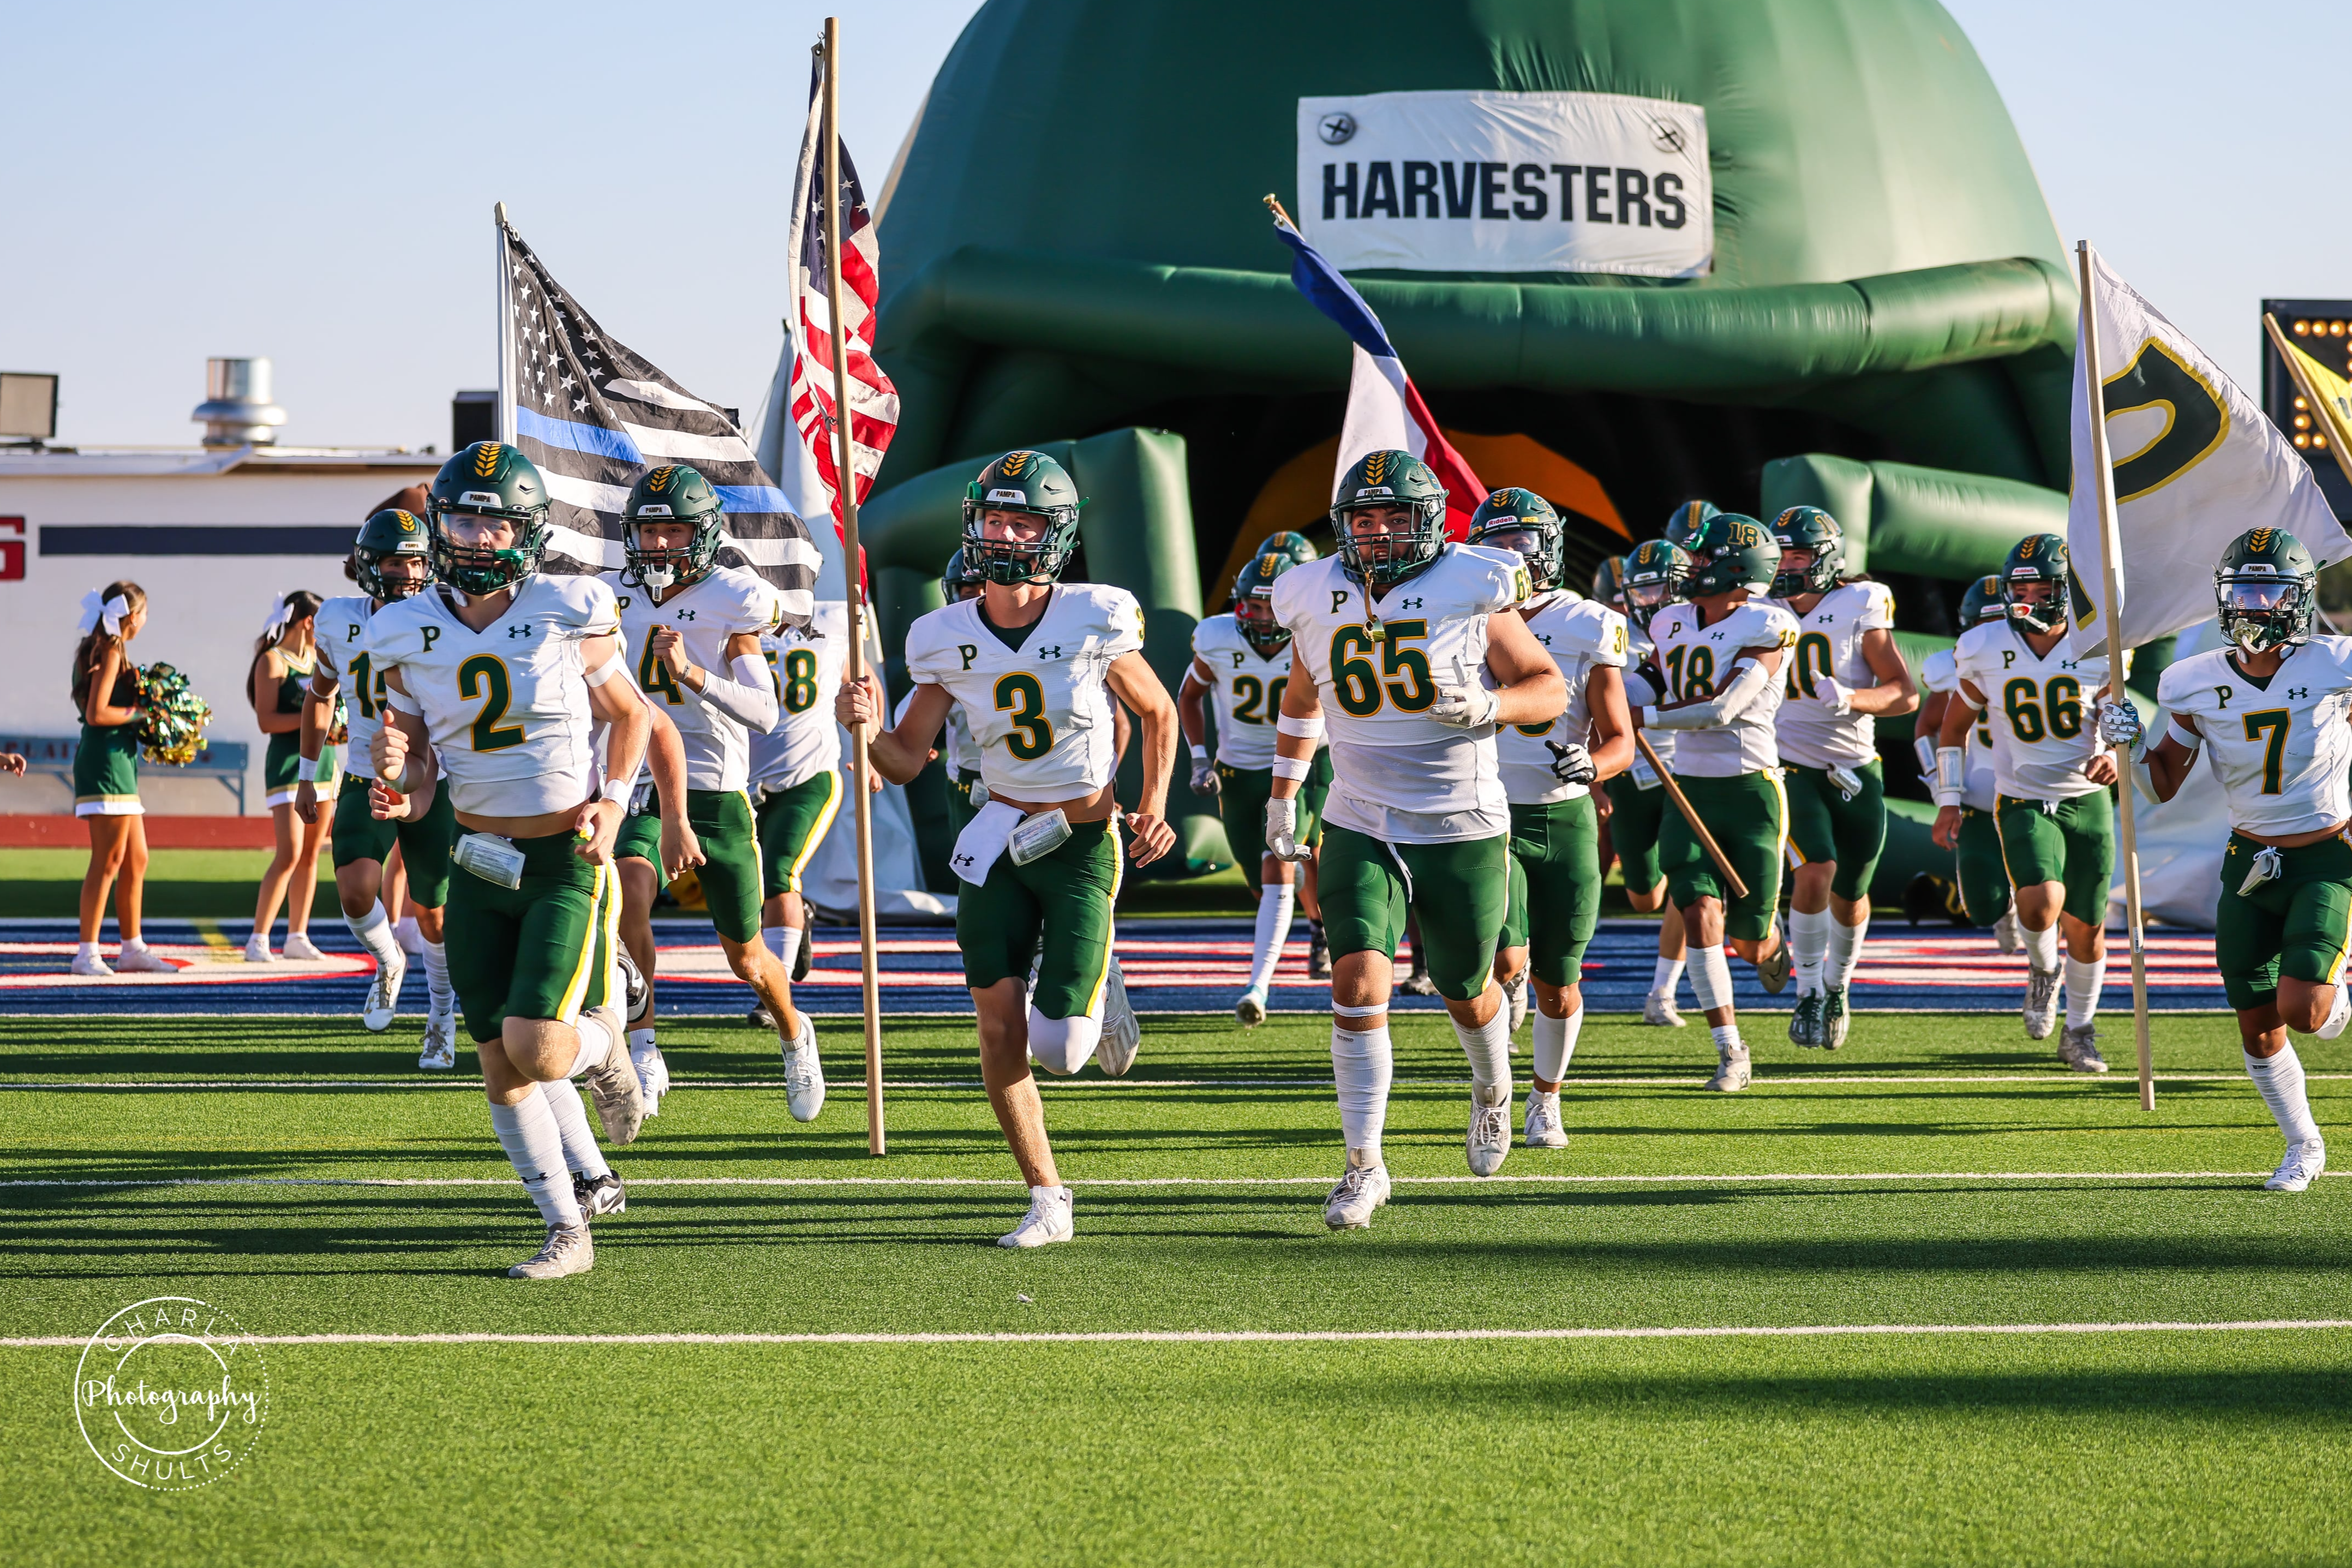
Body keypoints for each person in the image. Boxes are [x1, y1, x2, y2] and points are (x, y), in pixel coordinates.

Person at [837, 448, 1180, 1248]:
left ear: (1055, 533)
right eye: (994, 517)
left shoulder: (1094, 612)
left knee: (1061, 1047)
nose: (1005, 532)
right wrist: (862, 727)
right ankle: (1046, 1196)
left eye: (1022, 519)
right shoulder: (940, 632)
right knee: (997, 1028)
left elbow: (1157, 713)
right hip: (994, 833)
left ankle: (1097, 981)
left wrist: (1154, 803)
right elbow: (902, 760)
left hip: (1084, 837)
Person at [367, 440, 650, 1281]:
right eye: (461, 517)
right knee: (498, 1057)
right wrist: (398, 780)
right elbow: (419, 773)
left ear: (526, 529)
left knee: (540, 1047)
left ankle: (607, 1052)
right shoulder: (402, 626)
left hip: (566, 850)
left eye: (493, 521)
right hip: (477, 854)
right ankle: (568, 1226)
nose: (476, 536)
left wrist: (614, 797)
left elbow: (630, 715)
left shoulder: (570, 605)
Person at [1265, 449, 1566, 1228]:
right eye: (1362, 518)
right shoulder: (1310, 588)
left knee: (1469, 990)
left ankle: (1492, 1087)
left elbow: (1546, 687)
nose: (1377, 532)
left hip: (1458, 821)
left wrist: (1488, 709)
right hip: (1359, 814)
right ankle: (1362, 1165)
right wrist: (1284, 793)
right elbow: (1303, 694)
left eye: (1395, 515)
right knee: (1356, 982)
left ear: (1427, 520)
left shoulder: (1473, 583)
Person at [2119, 526, 2341, 1190]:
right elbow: (2163, 782)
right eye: (2242, 588)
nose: (2253, 604)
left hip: (2328, 854)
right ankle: (2304, 1143)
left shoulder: (2336, 663)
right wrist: (2130, 745)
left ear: (2298, 598)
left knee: (2306, 1009)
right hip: (2249, 859)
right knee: (2257, 1023)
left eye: (2268, 589)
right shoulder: (2190, 680)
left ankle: (2336, 995)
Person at [1469, 489, 1633, 1148]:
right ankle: (1498, 1087)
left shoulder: (1587, 622)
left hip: (1564, 816)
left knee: (1558, 982)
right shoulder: (1463, 613)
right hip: (1488, 811)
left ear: (1550, 551)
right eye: (1498, 545)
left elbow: (1619, 736)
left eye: (1523, 545)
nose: (1511, 557)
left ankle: (1546, 1099)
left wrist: (1593, 767)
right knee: (1507, 957)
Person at [1934, 534, 2121, 1070]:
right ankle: (2043, 972)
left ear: (2066, 591)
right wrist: (1949, 798)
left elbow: (2115, 713)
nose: (2027, 598)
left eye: (2040, 587)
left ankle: (2080, 1030)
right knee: (2040, 904)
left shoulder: (2098, 640)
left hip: (2087, 800)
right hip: (2021, 798)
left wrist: (2112, 751)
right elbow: (1953, 728)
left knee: (2087, 928)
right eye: (2020, 587)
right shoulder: (1985, 643)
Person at [1629, 514, 1799, 1092]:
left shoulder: (1770, 623)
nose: (1690, 570)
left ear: (1736, 569)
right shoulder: (1672, 620)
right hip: (1689, 786)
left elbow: (1723, 709)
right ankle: (1730, 1048)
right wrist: (1595, 692)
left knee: (1749, 943)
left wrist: (1638, 719)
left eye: (1702, 562)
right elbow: (1646, 683)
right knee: (1699, 912)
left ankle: (1771, 937)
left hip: (1752, 791)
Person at [298, 511, 460, 1064]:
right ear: (370, 566)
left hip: (431, 775)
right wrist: (306, 774)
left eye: (417, 561)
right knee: (355, 890)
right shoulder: (337, 620)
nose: (409, 573)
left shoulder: (445, 618)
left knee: (433, 911)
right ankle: (389, 960)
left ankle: (441, 1014)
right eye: (396, 561)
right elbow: (320, 695)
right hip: (366, 776)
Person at [1768, 506, 1918, 1048]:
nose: (1786, 564)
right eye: (1780, 552)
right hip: (1786, 763)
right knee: (1815, 873)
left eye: (1799, 555)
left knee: (1852, 891)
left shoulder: (1861, 602)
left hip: (1855, 765)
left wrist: (1853, 697)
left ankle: (1837, 985)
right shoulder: (1756, 606)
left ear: (1826, 560)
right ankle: (1808, 988)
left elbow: (1904, 691)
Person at [1181, 540, 1328, 1025]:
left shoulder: (1315, 632)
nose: (1265, 618)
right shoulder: (1216, 637)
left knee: (1278, 864)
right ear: (1239, 603)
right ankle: (1305, 907)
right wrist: (1200, 759)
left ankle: (1258, 985)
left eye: (1272, 606)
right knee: (1260, 879)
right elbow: (1189, 696)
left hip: (1302, 765)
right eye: (1255, 605)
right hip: (1239, 771)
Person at [1599, 545, 1693, 1024]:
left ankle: (1662, 992)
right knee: (1644, 896)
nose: (1649, 598)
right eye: (1641, 589)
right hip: (1633, 776)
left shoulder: (1698, 627)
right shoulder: (1614, 631)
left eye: (1659, 586)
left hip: (1688, 767)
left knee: (1685, 879)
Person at [747, 598, 846, 1014]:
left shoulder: (834, 615)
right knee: (748, 885)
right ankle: (795, 918)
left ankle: (777, 995)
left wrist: (872, 741)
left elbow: (859, 678)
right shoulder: (737, 612)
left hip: (809, 773)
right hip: (743, 778)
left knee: (779, 872)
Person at [69, 583, 171, 976]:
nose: (146, 621)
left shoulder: (101, 646)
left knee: (136, 858)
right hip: (106, 762)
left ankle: (132, 948)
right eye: (145, 613)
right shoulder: (109, 649)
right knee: (108, 860)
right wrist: (142, 715)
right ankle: (87, 954)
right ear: (133, 616)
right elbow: (97, 713)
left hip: (118, 762)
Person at [1914, 576, 2018, 949]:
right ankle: (2007, 909)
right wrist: (1938, 780)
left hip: (2032, 790)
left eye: (1999, 621)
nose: (1991, 632)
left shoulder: (2042, 658)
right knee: (1982, 906)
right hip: (1977, 793)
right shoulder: (1952, 665)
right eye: (1982, 624)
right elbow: (1928, 729)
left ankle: (2044, 960)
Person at [247, 590, 328, 963]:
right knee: (290, 852)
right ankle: (259, 938)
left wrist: (336, 725)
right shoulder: (272, 661)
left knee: (312, 853)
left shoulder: (319, 659)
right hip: (287, 766)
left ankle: (298, 934)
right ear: (309, 622)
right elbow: (267, 721)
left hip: (325, 766)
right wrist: (316, 720)